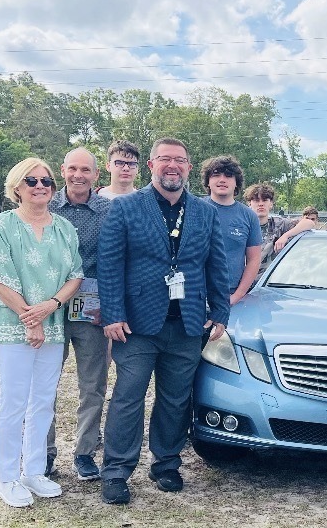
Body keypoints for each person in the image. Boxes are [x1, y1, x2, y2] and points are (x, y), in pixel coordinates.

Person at [97, 137, 230, 504]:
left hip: (187, 324)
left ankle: (166, 463)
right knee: (128, 398)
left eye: (180, 161)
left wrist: (220, 310)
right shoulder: (125, 207)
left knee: (175, 399)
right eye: (165, 160)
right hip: (136, 326)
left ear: (189, 167)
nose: (173, 166)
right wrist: (112, 314)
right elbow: (110, 265)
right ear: (152, 164)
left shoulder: (205, 212)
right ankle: (116, 471)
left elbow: (216, 265)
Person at [0, 158, 83, 507]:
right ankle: (7, 478)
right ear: (17, 187)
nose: (40, 186)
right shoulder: (3, 224)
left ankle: (34, 470)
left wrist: (51, 305)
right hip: (13, 327)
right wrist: (30, 318)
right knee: (13, 402)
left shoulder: (65, 227)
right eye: (31, 180)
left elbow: (76, 275)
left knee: (42, 402)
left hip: (52, 325)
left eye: (47, 181)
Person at [46, 148, 113, 482]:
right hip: (50, 309)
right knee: (45, 384)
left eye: (85, 169)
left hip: (92, 311)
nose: (78, 175)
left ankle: (85, 453)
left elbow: (117, 262)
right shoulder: (44, 204)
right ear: (63, 170)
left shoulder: (109, 211)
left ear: (96, 175)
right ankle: (44, 453)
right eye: (72, 168)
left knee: (93, 386)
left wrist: (112, 307)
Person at [200, 155, 262, 304]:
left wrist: (237, 296)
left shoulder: (249, 216)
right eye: (216, 175)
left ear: (236, 183)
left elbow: (254, 259)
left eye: (228, 176)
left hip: (229, 296)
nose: (222, 180)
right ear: (208, 181)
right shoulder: (193, 209)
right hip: (194, 295)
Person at [244, 182, 317, 277]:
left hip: (269, 283)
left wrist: (285, 235)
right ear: (250, 203)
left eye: (265, 200)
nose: (261, 204)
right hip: (244, 281)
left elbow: (309, 223)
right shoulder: (241, 226)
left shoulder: (280, 224)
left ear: (271, 204)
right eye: (257, 200)